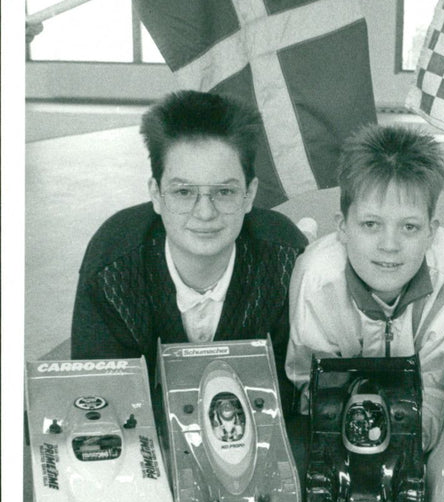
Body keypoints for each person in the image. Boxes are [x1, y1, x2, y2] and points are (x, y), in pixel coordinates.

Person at [71, 90, 306, 410]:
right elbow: (99, 398)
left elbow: (296, 396)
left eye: (224, 191)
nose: (205, 212)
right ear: (156, 194)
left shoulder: (285, 257)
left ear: (250, 194)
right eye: (183, 192)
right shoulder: (113, 264)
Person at [286, 122, 444, 451]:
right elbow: (309, 385)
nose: (390, 245)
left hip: (417, 433)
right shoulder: (317, 275)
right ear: (343, 227)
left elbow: (437, 381)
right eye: (371, 224)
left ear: (431, 232)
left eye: (409, 227)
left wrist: (408, 448)